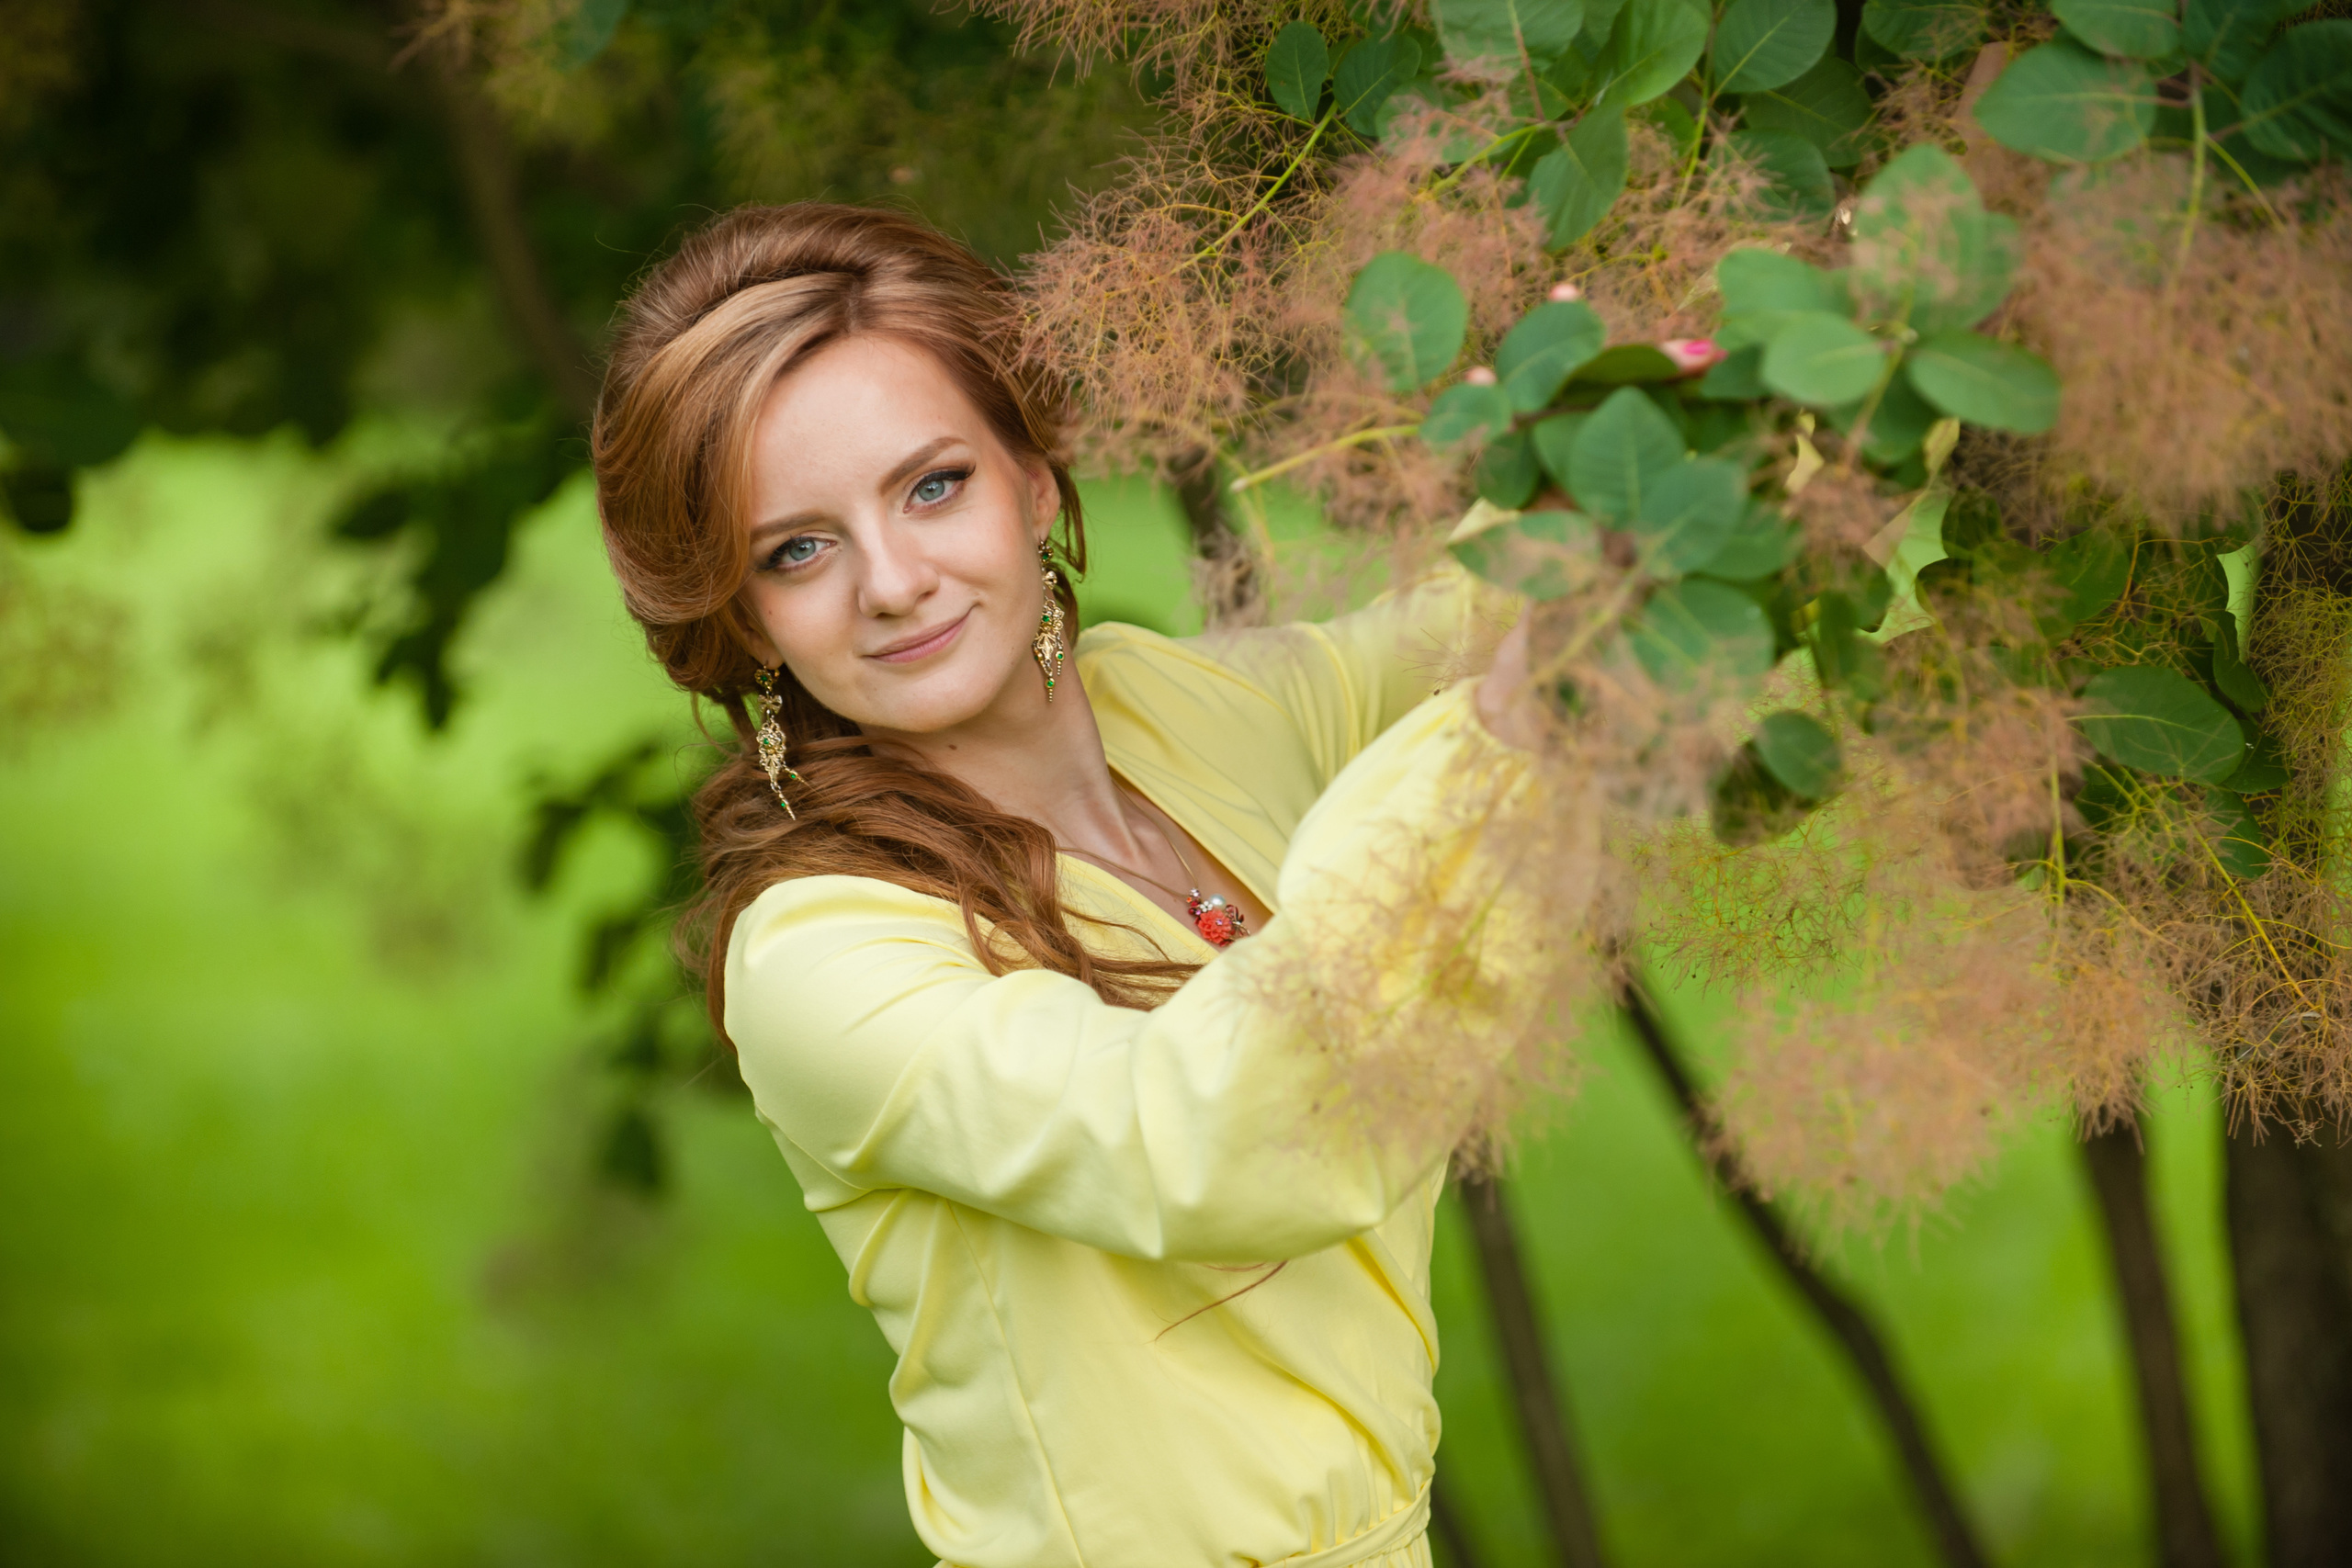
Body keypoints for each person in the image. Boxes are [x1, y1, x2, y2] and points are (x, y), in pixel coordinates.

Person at [593, 203, 1545, 1568]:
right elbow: (1210, 1143)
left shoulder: (1184, 709)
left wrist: (1731, 386)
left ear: (1034, 482)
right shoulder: (819, 950)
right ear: (744, 617)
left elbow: (1507, 609)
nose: (893, 583)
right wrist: (1509, 737)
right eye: (797, 550)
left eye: (934, 487)